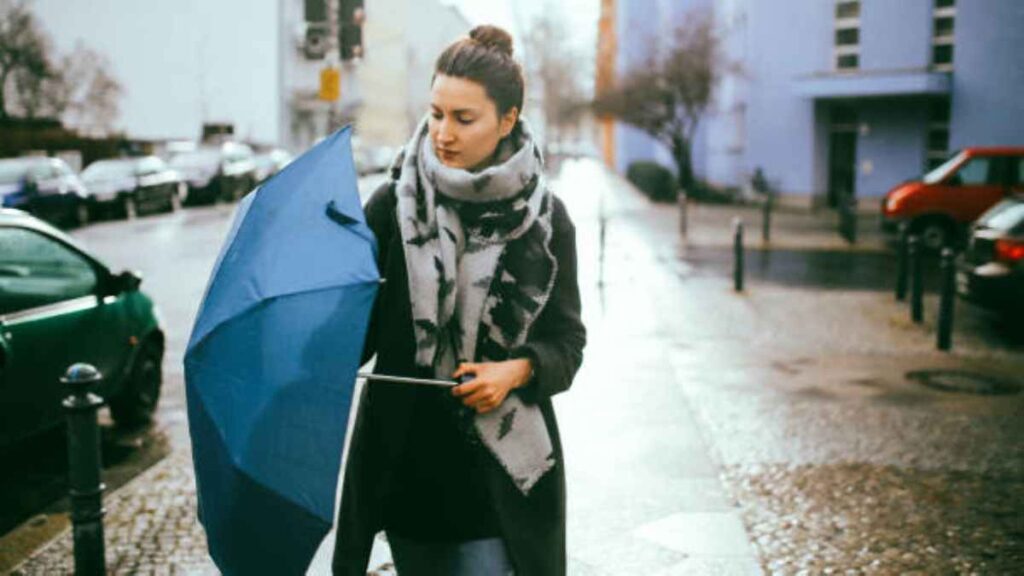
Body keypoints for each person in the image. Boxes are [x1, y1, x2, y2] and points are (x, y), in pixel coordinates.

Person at [332, 25, 586, 576]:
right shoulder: (390, 207)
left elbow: (568, 343)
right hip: (404, 474)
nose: (442, 133)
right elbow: (359, 337)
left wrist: (515, 372)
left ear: (508, 120)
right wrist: (317, 320)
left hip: (498, 480)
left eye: (463, 119)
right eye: (437, 112)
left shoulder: (543, 222)